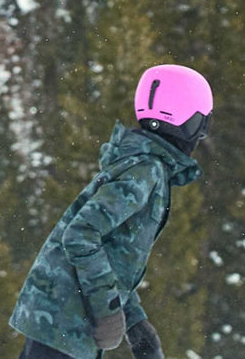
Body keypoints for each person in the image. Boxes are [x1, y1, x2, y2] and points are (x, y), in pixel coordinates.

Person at [11, 65, 213, 359]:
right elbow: (81, 235)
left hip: (62, 320)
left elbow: (113, 256)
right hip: (64, 322)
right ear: (186, 121)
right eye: (201, 124)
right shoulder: (145, 171)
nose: (201, 136)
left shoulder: (142, 165)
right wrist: (107, 311)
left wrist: (135, 322)